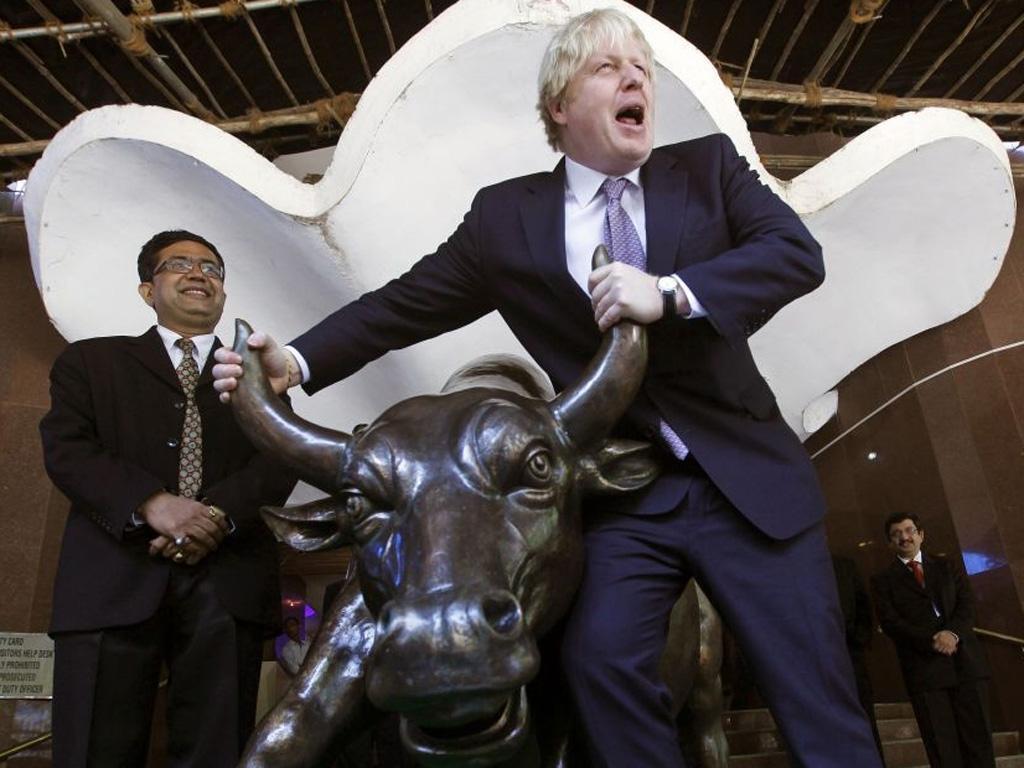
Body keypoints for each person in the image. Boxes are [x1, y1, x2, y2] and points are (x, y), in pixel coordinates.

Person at [213, 10, 880, 766]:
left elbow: (795, 254)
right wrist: (295, 361)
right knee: (600, 668)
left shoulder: (708, 168)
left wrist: (670, 291)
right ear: (559, 105)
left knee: (815, 697)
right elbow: (403, 304)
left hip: (748, 485)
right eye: (609, 68)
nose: (636, 78)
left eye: (642, 69)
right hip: (626, 497)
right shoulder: (506, 218)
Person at [40, 230, 298, 767]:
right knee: (94, 747)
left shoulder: (258, 376)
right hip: (110, 578)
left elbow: (279, 459)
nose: (198, 273)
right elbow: (68, 450)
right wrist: (151, 504)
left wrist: (215, 516)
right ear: (146, 290)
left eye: (211, 267)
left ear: (222, 293)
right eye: (178, 264)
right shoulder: (89, 363)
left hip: (227, 583)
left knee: (218, 749)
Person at [871, 513, 995, 768]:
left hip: (966, 666)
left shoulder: (948, 566)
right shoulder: (882, 581)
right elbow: (892, 623)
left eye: (909, 530)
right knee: (943, 749)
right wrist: (933, 640)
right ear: (889, 543)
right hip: (925, 672)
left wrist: (952, 634)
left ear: (921, 534)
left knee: (978, 744)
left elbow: (967, 606)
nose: (904, 537)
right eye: (897, 534)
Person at [832, 554, 883, 758]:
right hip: (815, 661)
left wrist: (859, 638)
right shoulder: (796, 568)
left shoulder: (845, 564)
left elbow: (863, 605)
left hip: (851, 655)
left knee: (865, 719)